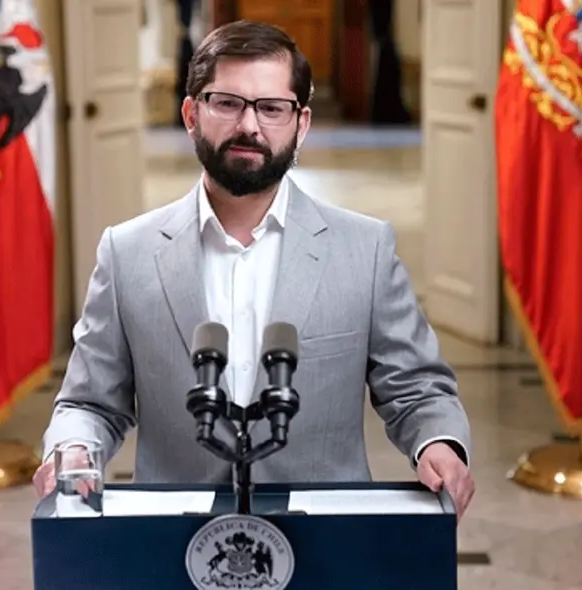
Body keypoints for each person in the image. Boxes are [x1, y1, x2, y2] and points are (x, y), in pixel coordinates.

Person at [34, 20, 475, 517]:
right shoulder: (127, 252)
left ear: (301, 123)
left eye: (271, 108)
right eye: (227, 103)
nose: (249, 125)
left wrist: (439, 443)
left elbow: (417, 390)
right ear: (191, 114)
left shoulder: (365, 249)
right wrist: (72, 447)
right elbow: (89, 403)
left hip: (324, 539)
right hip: (175, 540)